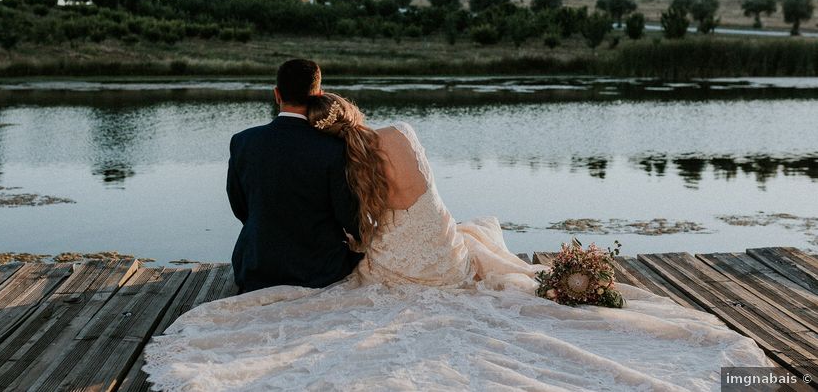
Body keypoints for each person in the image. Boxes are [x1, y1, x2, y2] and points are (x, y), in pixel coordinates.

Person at [144, 92, 770, 391]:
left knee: (388, 263)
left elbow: (359, 223)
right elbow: (426, 192)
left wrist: (359, 245)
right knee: (473, 244)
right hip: (434, 245)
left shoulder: (350, 156)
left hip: (390, 258)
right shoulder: (398, 135)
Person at [225, 60, 362, 293]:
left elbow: (240, 207)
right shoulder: (334, 148)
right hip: (319, 270)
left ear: (277, 94)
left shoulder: (243, 141)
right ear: (318, 94)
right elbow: (347, 216)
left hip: (257, 266)